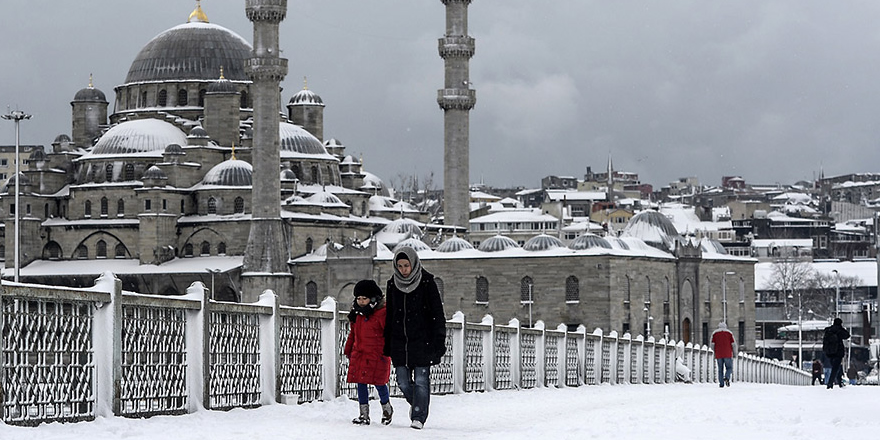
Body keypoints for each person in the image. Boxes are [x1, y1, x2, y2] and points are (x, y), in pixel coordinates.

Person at [384, 246, 447, 430]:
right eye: (400, 266)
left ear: (414, 264)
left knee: (421, 380)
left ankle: (419, 415)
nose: (404, 270)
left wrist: (438, 340)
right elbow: (390, 315)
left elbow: (437, 313)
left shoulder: (426, 282)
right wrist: (388, 342)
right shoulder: (392, 284)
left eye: (406, 265)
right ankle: (419, 403)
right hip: (400, 342)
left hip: (423, 341)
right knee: (403, 381)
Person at [344, 279, 393, 426]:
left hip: (378, 355)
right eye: (358, 298)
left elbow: (389, 333)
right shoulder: (357, 314)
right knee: (361, 383)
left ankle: (386, 408)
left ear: (373, 298)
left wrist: (390, 350)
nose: (361, 301)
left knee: (379, 383)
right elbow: (353, 334)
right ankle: (363, 414)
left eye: (364, 298)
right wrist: (348, 348)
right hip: (360, 354)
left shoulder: (382, 313)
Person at [822, 317, 851, 389]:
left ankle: (840, 382)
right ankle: (830, 383)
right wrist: (842, 328)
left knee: (836, 367)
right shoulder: (839, 330)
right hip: (838, 352)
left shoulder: (828, 330)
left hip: (830, 353)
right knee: (835, 368)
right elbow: (847, 335)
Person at [710, 322, 736, 388]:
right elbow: (733, 344)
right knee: (729, 368)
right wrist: (735, 353)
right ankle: (727, 377)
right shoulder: (729, 333)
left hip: (718, 354)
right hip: (728, 353)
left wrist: (714, 351)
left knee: (720, 369)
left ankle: (721, 383)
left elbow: (712, 344)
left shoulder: (715, 333)